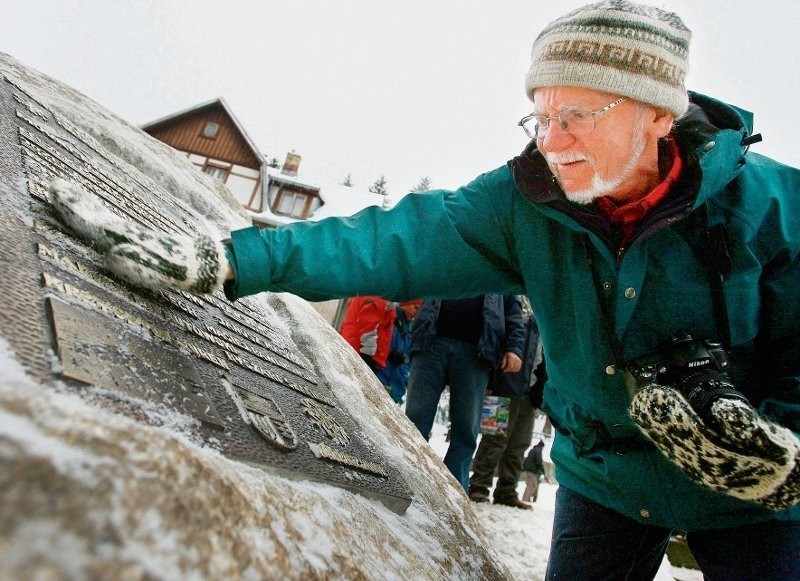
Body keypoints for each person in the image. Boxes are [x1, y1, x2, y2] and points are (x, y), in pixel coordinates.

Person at [48, 1, 800, 577]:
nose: (552, 140)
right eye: (541, 115)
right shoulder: (524, 204)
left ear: (658, 115)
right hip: (604, 477)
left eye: (577, 116)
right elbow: (388, 241)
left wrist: (780, 450)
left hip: (755, 500)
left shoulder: (775, 212)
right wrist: (227, 259)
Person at [404, 295, 526, 492]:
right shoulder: (440, 261)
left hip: (477, 352)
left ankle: (454, 493)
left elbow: (513, 311)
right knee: (415, 419)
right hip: (430, 341)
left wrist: (515, 348)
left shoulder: (502, 266)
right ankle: (405, 476)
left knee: (466, 428)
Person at [469, 312, 544, 509]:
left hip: (529, 394)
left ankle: (506, 491)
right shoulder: (517, 319)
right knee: (493, 440)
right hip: (502, 389)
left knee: (519, 445)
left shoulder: (545, 326)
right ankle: (478, 486)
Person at [374, 300, 421, 403]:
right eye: (415, 307)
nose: (416, 312)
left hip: (395, 389)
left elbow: (408, 362)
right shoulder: (389, 317)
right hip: (379, 378)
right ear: (406, 303)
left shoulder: (411, 329)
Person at [338, 296, 396, 372]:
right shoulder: (382, 292)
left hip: (352, 344)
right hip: (360, 351)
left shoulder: (367, 289)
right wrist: (367, 354)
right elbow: (368, 322)